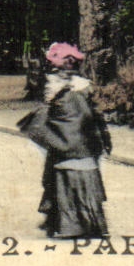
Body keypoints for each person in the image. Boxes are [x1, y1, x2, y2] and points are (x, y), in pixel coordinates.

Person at [18, 42, 111, 239]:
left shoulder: (60, 87)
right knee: (66, 175)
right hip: (79, 140)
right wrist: (103, 136)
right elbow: (97, 114)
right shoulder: (80, 86)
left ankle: (64, 222)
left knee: (58, 175)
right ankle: (78, 222)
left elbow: (46, 116)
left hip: (67, 139)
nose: (67, 66)